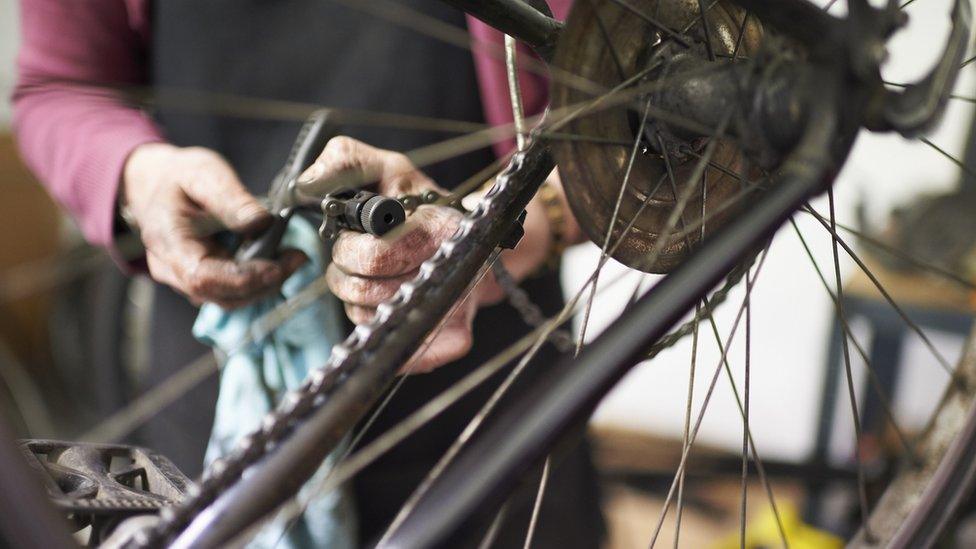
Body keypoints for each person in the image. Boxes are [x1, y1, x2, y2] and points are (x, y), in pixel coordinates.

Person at [14, 0, 606, 546]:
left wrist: (504, 233)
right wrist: (137, 177)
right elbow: (58, 87)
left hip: (492, 399)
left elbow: (650, 114)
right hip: (210, 390)